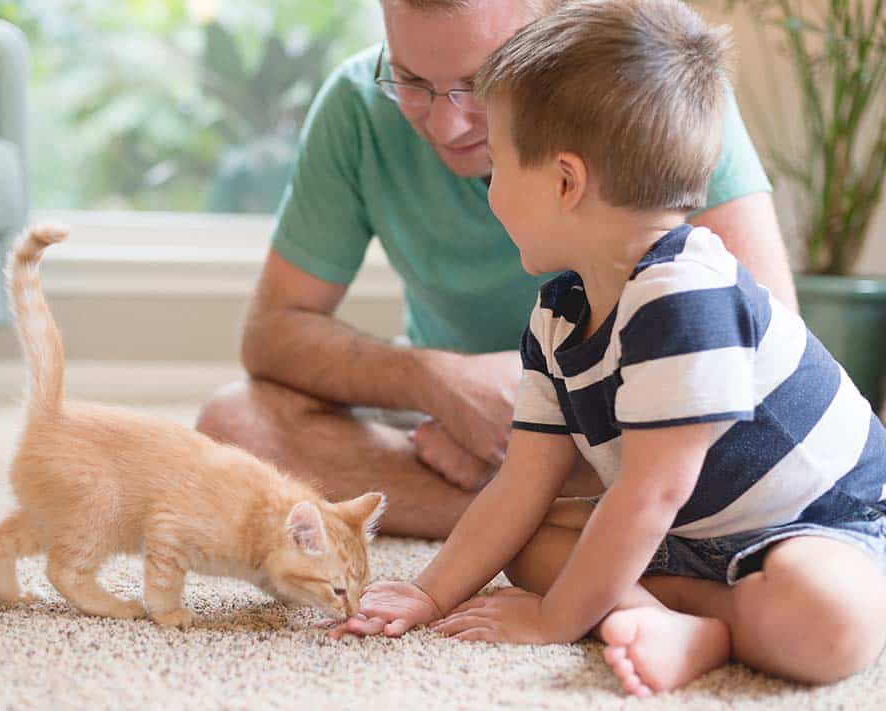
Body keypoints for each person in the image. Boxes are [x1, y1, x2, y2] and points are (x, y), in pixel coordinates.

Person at [328, 0, 886, 696]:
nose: (489, 186)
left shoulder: (689, 293)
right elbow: (522, 482)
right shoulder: (559, 314)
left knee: (832, 623)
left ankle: (700, 622)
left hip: (816, 521)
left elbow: (649, 492)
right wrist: (429, 592)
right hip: (693, 535)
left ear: (565, 182)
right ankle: (678, 618)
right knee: (530, 541)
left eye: (498, 164)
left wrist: (556, 620)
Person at [197, 0, 797, 540]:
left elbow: (762, 340)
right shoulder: (356, 104)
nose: (444, 125)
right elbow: (274, 331)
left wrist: (542, 408)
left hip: (632, 413)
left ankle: (542, 505)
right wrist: (439, 380)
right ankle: (577, 515)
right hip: (442, 429)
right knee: (234, 424)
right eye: (411, 80)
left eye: (480, 85)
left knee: (728, 442)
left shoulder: (648, 86)